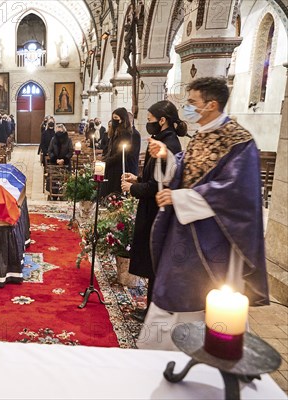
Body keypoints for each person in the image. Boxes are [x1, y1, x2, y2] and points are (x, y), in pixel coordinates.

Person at [138, 77, 269, 350]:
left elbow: (234, 192)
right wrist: (167, 157)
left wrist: (180, 197)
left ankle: (212, 351)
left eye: (192, 103)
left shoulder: (238, 141)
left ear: (211, 104)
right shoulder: (201, 134)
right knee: (172, 290)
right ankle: (165, 351)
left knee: (208, 300)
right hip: (183, 232)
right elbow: (186, 171)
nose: (187, 108)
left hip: (214, 239)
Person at [120, 101, 184, 322]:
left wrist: (133, 188)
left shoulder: (169, 146)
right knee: (152, 262)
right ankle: (149, 310)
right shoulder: (162, 141)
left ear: (162, 120)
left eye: (149, 120)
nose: (148, 125)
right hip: (152, 209)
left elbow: (160, 186)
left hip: (158, 211)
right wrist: (137, 178)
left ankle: (153, 313)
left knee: (156, 263)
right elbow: (153, 178)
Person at [101, 108, 133, 197]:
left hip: (118, 168)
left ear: (122, 119)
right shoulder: (114, 132)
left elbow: (121, 154)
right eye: (113, 117)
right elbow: (110, 150)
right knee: (106, 192)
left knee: (115, 193)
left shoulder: (126, 133)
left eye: (116, 117)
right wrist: (103, 160)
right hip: (110, 167)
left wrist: (107, 161)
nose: (113, 120)